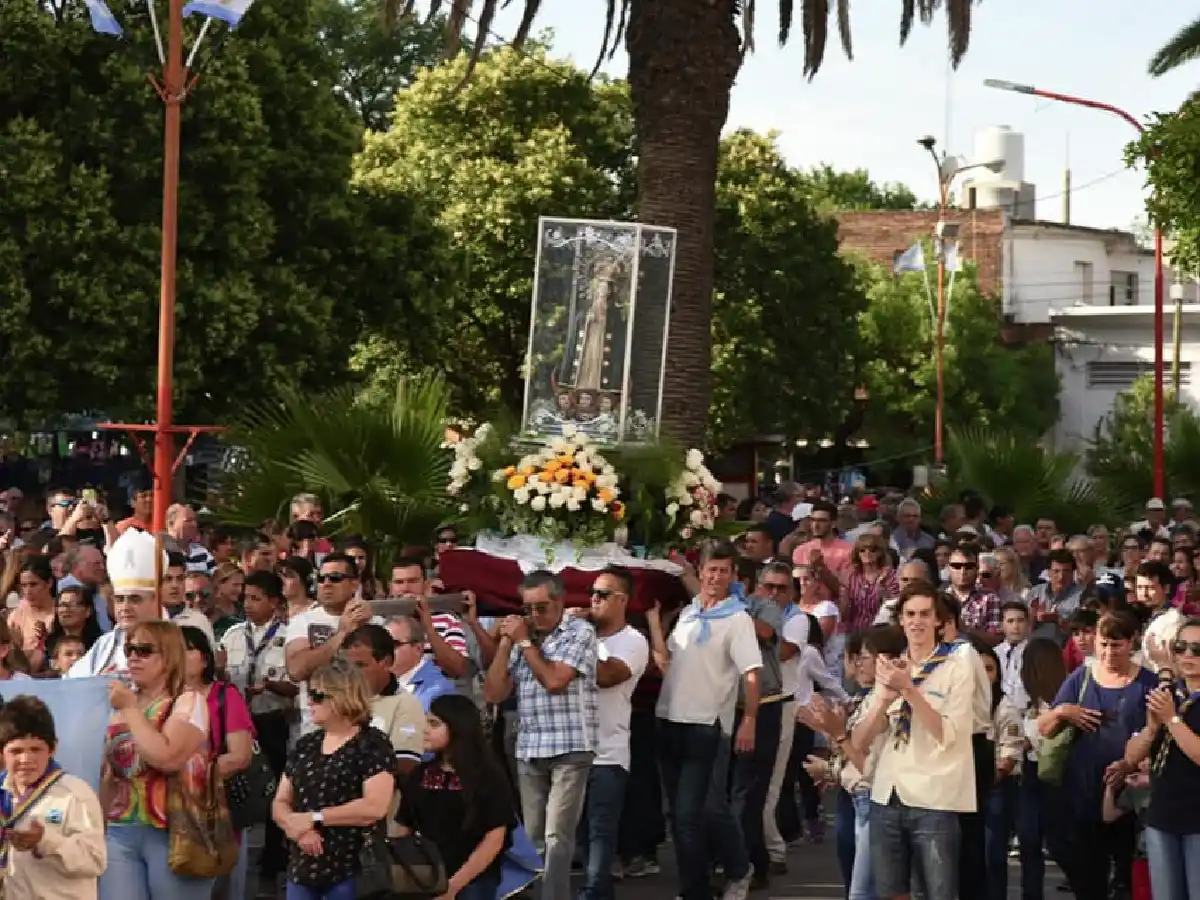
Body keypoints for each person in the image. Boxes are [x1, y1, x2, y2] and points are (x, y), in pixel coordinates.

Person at [1037, 610, 1157, 900]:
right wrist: (1064, 711)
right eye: (1103, 644)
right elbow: (1044, 728)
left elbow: (1160, 737)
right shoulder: (1082, 678)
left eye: (1116, 645)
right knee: (1088, 878)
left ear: (1132, 642)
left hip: (1131, 798)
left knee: (1128, 878)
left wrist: (1133, 765)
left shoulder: (1148, 683)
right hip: (1083, 792)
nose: (1108, 652)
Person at [100, 620, 217, 900]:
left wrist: (130, 708)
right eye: (129, 649)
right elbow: (109, 773)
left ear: (169, 656)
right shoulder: (120, 707)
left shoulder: (189, 702)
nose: (133, 657)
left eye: (144, 650)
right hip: (121, 828)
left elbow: (167, 757)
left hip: (175, 829)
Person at [271, 663, 395, 900]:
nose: (309, 702)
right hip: (302, 869)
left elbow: (375, 806)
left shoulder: (372, 744)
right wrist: (297, 829)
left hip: (352, 869)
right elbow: (281, 801)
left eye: (317, 695)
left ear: (342, 696)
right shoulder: (306, 744)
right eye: (309, 694)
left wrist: (315, 817)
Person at [397, 694, 518, 900]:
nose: (425, 729)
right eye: (426, 722)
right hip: (426, 879)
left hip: (474, 881)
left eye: (434, 724)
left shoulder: (488, 777)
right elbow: (404, 827)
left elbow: (494, 838)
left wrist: (453, 886)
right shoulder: (419, 774)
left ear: (457, 727)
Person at [1123, 616, 1200, 900]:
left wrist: (1172, 719)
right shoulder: (1168, 694)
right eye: (1181, 647)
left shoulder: (1172, 706)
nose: (1188, 655)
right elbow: (1131, 755)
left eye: (1197, 649)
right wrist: (1153, 728)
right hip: (1162, 814)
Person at [0, 695, 106, 900]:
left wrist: (45, 841)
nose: (26, 759)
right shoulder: (2, 793)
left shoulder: (74, 794)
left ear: (53, 748)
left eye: (36, 749)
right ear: (2, 753)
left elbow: (95, 861)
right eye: (16, 751)